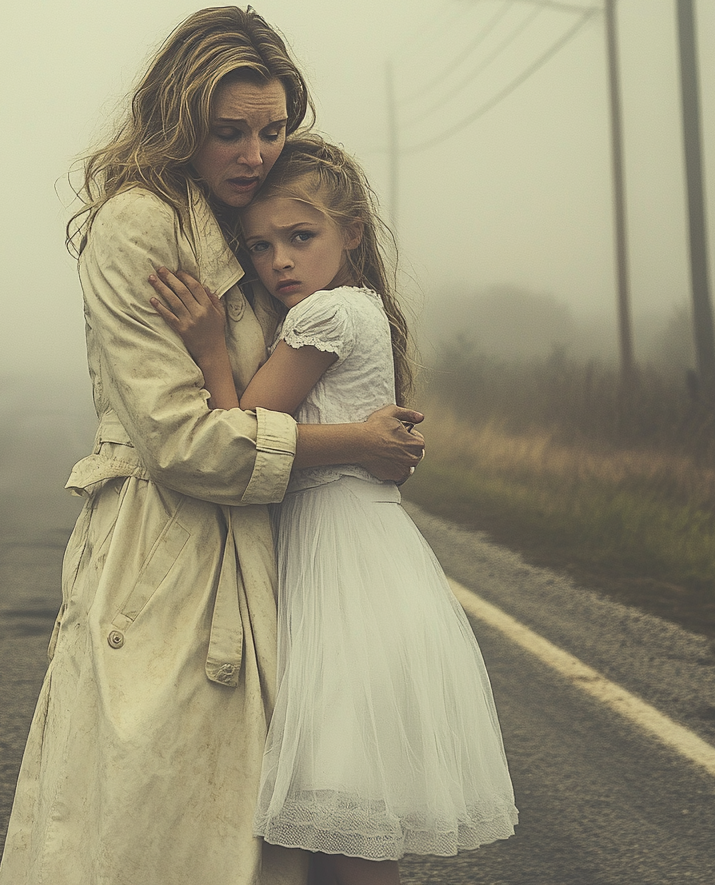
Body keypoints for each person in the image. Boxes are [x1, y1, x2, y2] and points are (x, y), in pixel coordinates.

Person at [0, 7, 426, 885]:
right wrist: (354, 443)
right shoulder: (138, 227)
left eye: (272, 130)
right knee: (162, 834)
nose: (255, 154)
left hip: (270, 551)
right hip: (169, 559)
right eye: (229, 132)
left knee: (307, 829)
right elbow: (184, 444)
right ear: (180, 120)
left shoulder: (241, 214)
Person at [149, 134, 519, 885]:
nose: (278, 260)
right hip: (356, 553)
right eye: (259, 246)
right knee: (337, 821)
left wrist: (211, 348)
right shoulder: (354, 308)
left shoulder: (330, 317)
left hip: (343, 567)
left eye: (300, 237)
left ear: (351, 233)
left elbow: (245, 429)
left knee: (334, 822)